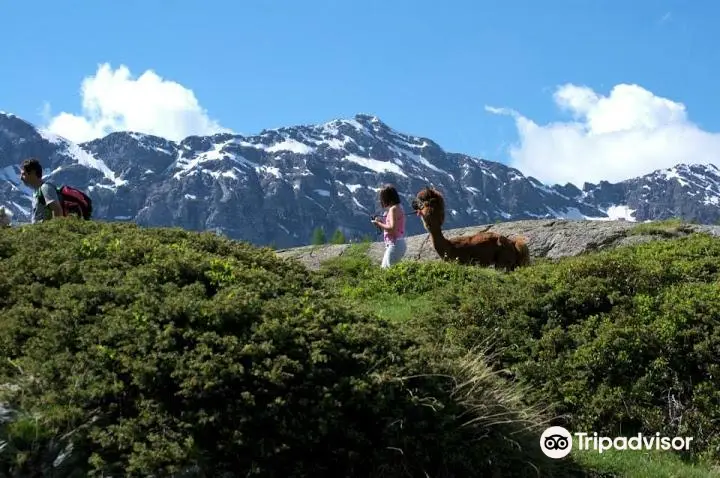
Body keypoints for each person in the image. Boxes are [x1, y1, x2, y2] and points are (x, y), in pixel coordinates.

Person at [371, 184, 407, 268]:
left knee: (387, 271)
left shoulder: (393, 209)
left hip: (394, 244)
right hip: (397, 243)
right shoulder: (398, 207)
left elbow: (392, 229)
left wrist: (378, 223)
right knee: (385, 270)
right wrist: (382, 220)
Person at [19, 158, 64, 224]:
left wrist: (54, 231)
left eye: (23, 174)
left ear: (33, 172)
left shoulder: (45, 188)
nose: (21, 178)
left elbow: (57, 210)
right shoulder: (37, 192)